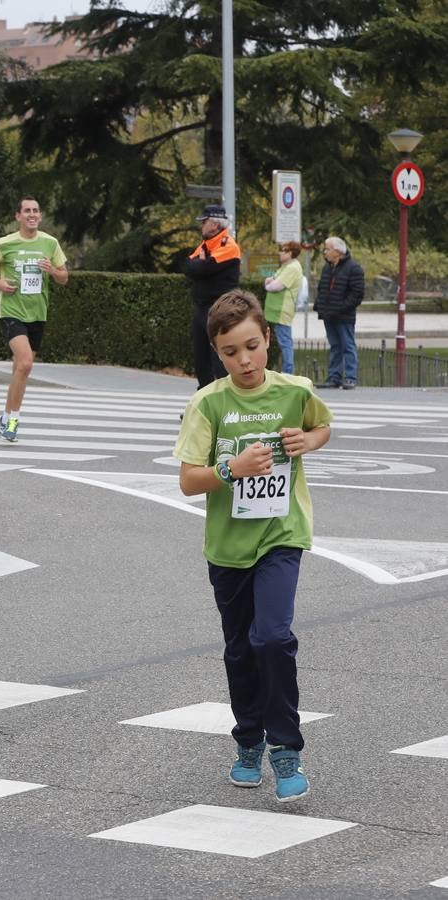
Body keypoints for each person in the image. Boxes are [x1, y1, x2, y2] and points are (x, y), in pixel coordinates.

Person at [173, 289, 332, 803]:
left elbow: (321, 426)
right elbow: (188, 480)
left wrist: (310, 441)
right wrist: (231, 469)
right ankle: (248, 742)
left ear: (267, 339)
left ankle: (286, 749)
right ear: (217, 354)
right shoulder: (209, 402)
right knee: (241, 650)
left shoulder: (295, 391)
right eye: (229, 352)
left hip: (282, 535)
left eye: (250, 346)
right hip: (227, 547)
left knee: (272, 637)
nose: (243, 360)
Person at [0, 197, 69, 441]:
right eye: (27, 211)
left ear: (40, 215)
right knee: (26, 362)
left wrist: (53, 271)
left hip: (37, 313)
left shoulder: (50, 243)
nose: (32, 214)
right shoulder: (6, 243)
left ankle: (5, 417)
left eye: (35, 211)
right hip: (11, 311)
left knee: (21, 368)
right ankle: (13, 421)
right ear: (18, 216)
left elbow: (64, 277)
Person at [183, 204, 241, 390]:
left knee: (218, 357)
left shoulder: (228, 245)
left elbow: (204, 268)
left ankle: (224, 401)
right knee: (201, 358)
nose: (202, 225)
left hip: (219, 309)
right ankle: (204, 401)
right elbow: (189, 267)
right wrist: (199, 265)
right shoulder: (207, 244)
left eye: (204, 221)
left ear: (215, 224)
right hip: (201, 307)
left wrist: (201, 264)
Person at [314, 236, 365, 389]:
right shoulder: (328, 268)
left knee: (347, 345)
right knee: (335, 346)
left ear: (338, 251)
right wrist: (320, 306)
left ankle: (350, 377)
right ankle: (334, 377)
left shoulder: (353, 268)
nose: (325, 252)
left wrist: (340, 307)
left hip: (344, 316)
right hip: (329, 315)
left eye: (328, 249)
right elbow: (322, 289)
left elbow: (357, 294)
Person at [263, 241, 304, 375]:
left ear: (291, 253)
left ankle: (288, 372)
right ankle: (286, 371)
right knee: (282, 340)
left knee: (285, 341)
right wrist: (269, 282)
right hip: (276, 310)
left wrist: (268, 285)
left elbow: (276, 285)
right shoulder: (286, 266)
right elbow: (270, 279)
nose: (280, 253)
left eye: (284, 250)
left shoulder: (292, 268)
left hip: (282, 310)